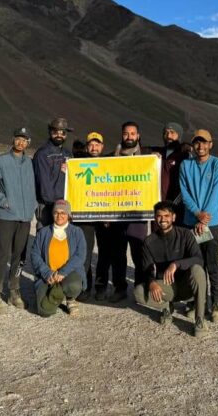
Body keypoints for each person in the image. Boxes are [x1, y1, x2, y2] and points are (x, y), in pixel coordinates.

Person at [134, 201, 208, 337]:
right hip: (167, 286)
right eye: (159, 216)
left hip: (187, 285)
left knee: (197, 270)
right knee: (139, 292)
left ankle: (200, 320)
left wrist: (176, 264)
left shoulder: (185, 234)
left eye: (166, 216)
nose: (163, 220)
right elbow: (146, 268)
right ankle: (167, 306)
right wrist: (152, 282)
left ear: (173, 217)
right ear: (155, 218)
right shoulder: (149, 241)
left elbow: (198, 259)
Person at [180, 129, 218, 322]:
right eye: (197, 142)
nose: (200, 146)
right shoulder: (186, 165)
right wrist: (197, 214)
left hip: (211, 224)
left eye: (204, 142)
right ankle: (197, 302)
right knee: (195, 265)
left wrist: (204, 218)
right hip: (192, 223)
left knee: (214, 265)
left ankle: (216, 304)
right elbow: (184, 192)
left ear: (210, 144)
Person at [0, 127, 36, 314]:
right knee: (1, 255)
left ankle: (14, 291)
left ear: (28, 143)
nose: (21, 142)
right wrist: (4, 202)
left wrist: (32, 206)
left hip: (25, 217)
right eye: (18, 139)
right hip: (7, 215)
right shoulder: (1, 161)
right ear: (13, 139)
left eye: (25, 140)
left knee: (20, 256)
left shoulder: (30, 163)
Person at [110, 121, 150, 303]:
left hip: (138, 214)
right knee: (118, 253)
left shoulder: (148, 157)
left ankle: (141, 287)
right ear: (121, 135)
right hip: (117, 214)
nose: (129, 137)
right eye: (126, 134)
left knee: (139, 253)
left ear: (138, 136)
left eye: (132, 134)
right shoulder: (112, 158)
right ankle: (119, 287)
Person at [29, 199, 87, 317]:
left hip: (68, 274)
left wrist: (63, 272)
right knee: (44, 311)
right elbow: (34, 254)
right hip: (48, 275)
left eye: (63, 213)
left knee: (73, 285)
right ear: (52, 214)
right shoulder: (43, 232)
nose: (59, 215)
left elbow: (80, 256)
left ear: (68, 215)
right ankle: (57, 293)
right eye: (56, 212)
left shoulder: (77, 232)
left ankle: (70, 298)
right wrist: (47, 273)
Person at [76, 131, 104, 301]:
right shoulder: (78, 163)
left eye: (97, 144)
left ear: (102, 146)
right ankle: (84, 286)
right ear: (87, 146)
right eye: (91, 144)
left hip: (105, 216)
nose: (94, 147)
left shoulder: (110, 164)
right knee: (85, 252)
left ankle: (101, 287)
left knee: (105, 254)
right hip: (85, 216)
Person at [33, 117, 73, 228]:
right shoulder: (42, 154)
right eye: (56, 132)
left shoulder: (68, 154)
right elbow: (43, 185)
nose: (59, 135)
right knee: (45, 236)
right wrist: (57, 206)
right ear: (50, 132)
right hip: (48, 206)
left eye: (63, 132)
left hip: (63, 205)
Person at [154, 122, 189, 223]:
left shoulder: (185, 155)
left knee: (177, 235)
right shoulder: (158, 153)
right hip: (159, 207)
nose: (168, 136)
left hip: (177, 206)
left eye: (172, 133)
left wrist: (175, 204)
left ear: (179, 135)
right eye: (166, 133)